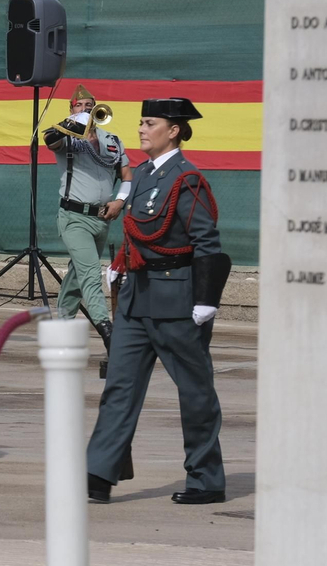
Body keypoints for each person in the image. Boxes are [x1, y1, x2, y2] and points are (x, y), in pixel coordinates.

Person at [87, 98, 230, 506]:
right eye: (141, 122)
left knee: (195, 391)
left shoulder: (188, 179)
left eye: (151, 123)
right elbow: (137, 230)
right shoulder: (145, 174)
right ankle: (99, 472)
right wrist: (119, 264)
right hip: (136, 298)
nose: (142, 129)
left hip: (176, 300)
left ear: (175, 131)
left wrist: (206, 299)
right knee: (119, 387)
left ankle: (206, 479)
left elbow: (206, 242)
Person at [43, 85, 132, 363]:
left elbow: (127, 175)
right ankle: (109, 334)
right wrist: (72, 124)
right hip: (74, 218)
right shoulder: (65, 137)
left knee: (77, 277)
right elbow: (49, 140)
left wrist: (119, 201)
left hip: (102, 218)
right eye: (79, 105)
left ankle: (62, 331)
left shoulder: (112, 140)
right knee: (91, 273)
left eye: (89, 105)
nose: (85, 109)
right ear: (71, 109)